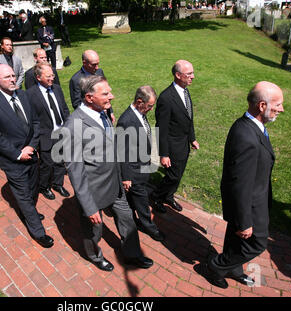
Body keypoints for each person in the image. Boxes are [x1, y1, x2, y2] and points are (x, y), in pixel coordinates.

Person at [60, 75, 153, 271]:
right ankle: (95, 256)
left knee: (127, 219)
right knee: (94, 230)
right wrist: (89, 207)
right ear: (89, 97)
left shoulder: (103, 111)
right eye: (106, 94)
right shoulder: (73, 126)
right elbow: (75, 171)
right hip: (93, 191)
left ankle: (133, 254)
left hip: (115, 183)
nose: (112, 96)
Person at [196, 81, 284, 289]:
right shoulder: (246, 136)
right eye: (278, 104)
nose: (282, 109)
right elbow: (239, 183)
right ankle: (217, 267)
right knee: (257, 242)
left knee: (236, 240)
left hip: (254, 198)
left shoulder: (252, 126)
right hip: (249, 204)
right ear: (262, 106)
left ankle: (234, 269)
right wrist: (244, 221)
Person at [0, 64, 54, 249]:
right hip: (12, 160)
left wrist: (31, 146)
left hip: (32, 154)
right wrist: (18, 153)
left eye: (13, 75)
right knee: (23, 196)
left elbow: (36, 123)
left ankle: (31, 213)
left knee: (33, 189)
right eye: (7, 77)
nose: (13, 79)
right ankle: (38, 232)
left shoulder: (24, 95)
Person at [117, 86, 165, 242]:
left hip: (142, 166)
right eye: (150, 106)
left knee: (133, 200)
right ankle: (149, 227)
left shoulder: (140, 114)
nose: (151, 109)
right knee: (142, 202)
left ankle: (134, 219)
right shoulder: (126, 121)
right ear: (139, 102)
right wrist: (126, 177)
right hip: (134, 171)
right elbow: (122, 152)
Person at [150, 60, 199, 214]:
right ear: (178, 75)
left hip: (183, 143)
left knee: (178, 175)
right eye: (189, 74)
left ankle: (168, 196)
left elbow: (188, 117)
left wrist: (192, 138)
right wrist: (164, 154)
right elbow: (161, 129)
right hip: (172, 146)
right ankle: (157, 196)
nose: (193, 76)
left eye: (192, 73)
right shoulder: (166, 98)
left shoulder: (185, 91)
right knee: (173, 176)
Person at [26, 63, 70, 200]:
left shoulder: (56, 88)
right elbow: (31, 119)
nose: (52, 78)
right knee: (47, 164)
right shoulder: (30, 94)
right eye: (48, 76)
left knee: (60, 161)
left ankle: (58, 183)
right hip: (45, 135)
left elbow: (64, 108)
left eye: (52, 75)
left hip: (61, 131)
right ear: (38, 77)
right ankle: (44, 186)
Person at [69, 50, 115, 123]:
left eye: (98, 64)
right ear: (84, 63)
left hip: (106, 114)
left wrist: (111, 111)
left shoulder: (99, 72)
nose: (97, 67)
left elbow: (106, 93)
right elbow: (77, 104)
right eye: (94, 64)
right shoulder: (76, 80)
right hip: (91, 119)